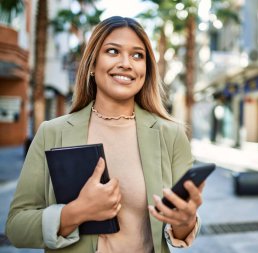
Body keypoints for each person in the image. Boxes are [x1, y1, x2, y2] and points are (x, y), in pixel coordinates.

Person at [6, 16, 204, 253]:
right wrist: (76, 212)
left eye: (137, 55)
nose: (126, 63)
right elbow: (16, 227)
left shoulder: (171, 135)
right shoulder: (52, 132)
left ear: (146, 70)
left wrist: (185, 221)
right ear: (91, 64)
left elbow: (178, 232)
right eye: (112, 51)